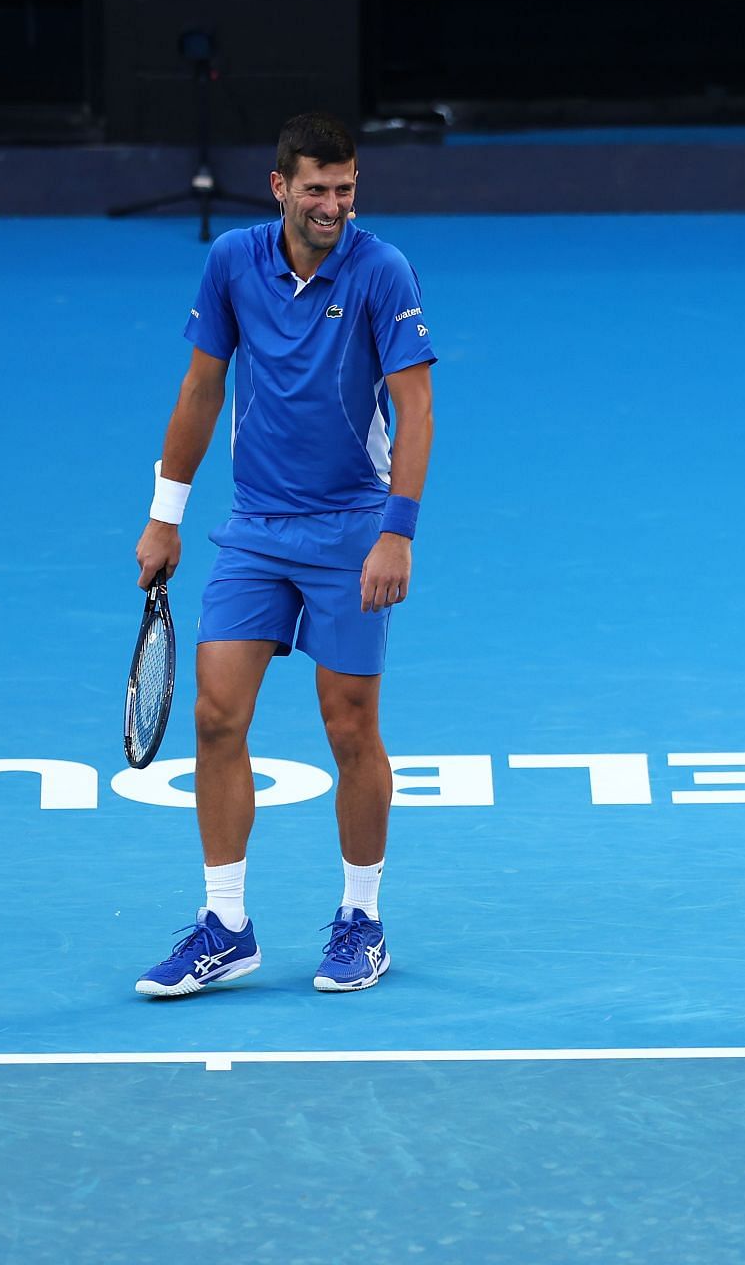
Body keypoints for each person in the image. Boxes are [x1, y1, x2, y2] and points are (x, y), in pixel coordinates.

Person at [131, 111, 436, 996]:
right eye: (316, 189)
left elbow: (415, 412)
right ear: (279, 188)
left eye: (345, 189)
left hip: (351, 528)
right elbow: (201, 388)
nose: (333, 205)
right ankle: (226, 925)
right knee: (216, 719)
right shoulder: (232, 261)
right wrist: (165, 514)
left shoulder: (383, 270)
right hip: (256, 530)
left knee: (349, 726)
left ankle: (362, 918)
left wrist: (397, 531)